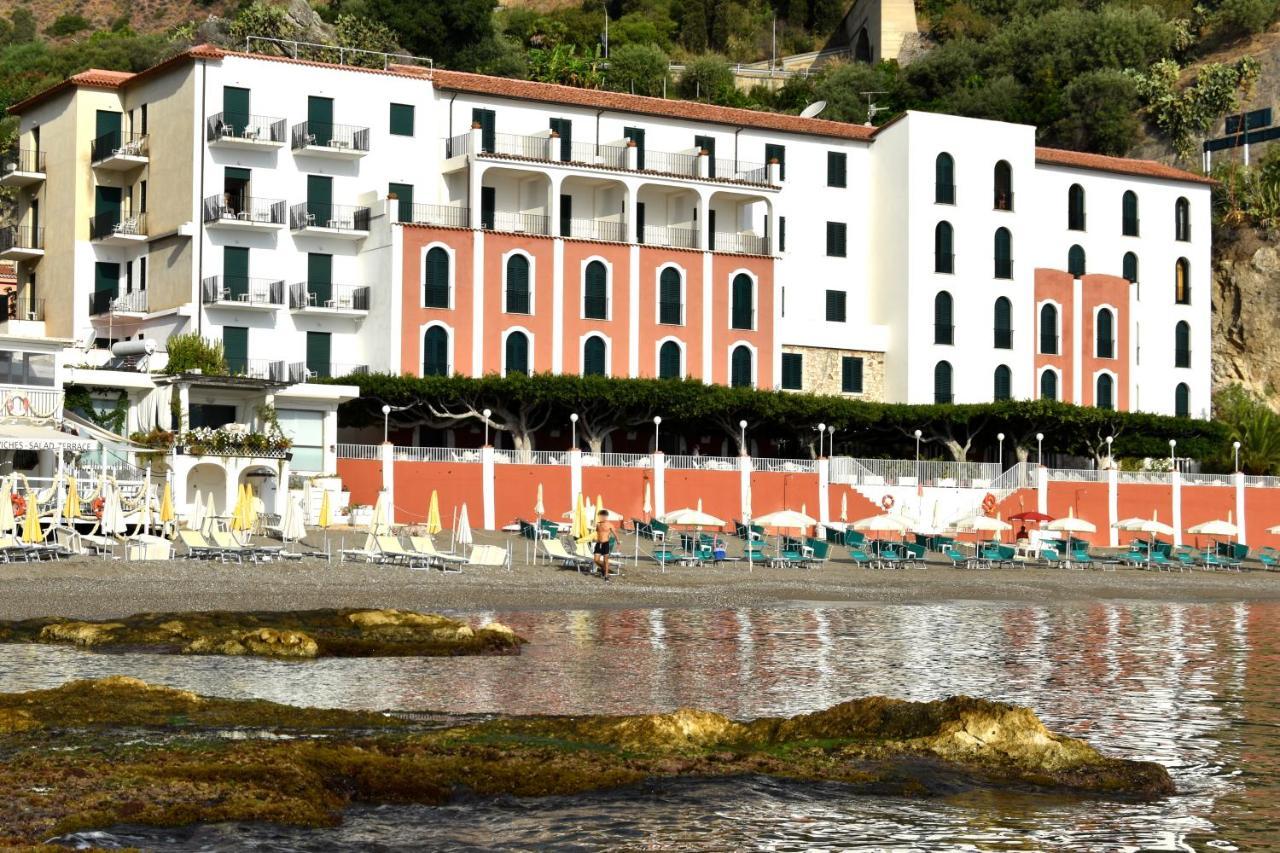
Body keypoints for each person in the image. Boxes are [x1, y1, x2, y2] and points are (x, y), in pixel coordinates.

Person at [593, 510, 614, 581]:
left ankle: (606, 576)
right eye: (600, 516)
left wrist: (618, 542)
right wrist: (595, 538)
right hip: (598, 543)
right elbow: (597, 532)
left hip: (606, 543)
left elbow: (614, 534)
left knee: (605, 560)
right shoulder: (598, 524)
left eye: (603, 516)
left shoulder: (609, 525)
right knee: (596, 560)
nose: (601, 517)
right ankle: (604, 568)